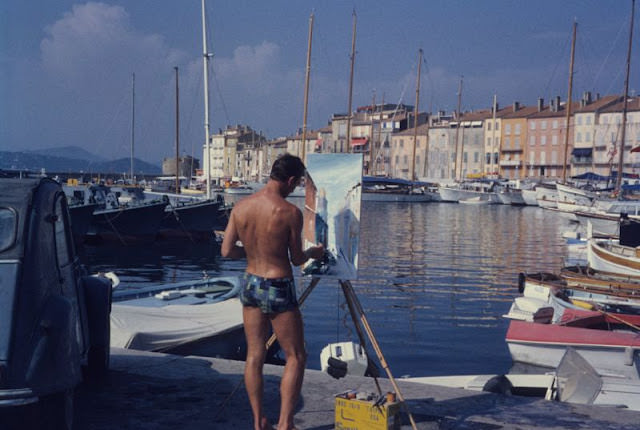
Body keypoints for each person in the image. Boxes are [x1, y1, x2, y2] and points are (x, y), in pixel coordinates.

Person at [221, 153, 324, 430]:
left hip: (251, 283)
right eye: (297, 183)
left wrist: (253, 251)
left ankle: (258, 422)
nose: (295, 189)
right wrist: (313, 252)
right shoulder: (289, 212)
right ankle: (284, 424)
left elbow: (227, 250)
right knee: (296, 355)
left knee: (254, 354)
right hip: (277, 285)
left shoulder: (241, 207)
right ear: (290, 180)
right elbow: (297, 259)